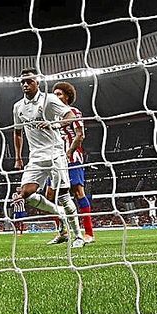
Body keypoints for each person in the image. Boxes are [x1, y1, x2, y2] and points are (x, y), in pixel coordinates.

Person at [12, 68, 84, 248]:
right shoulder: (18, 107)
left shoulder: (49, 100)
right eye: (23, 82)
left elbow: (70, 116)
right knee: (26, 194)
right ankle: (60, 214)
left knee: (64, 196)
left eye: (29, 81)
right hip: (35, 157)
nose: (25, 84)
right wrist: (18, 157)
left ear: (37, 82)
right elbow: (17, 132)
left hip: (55, 154)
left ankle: (78, 236)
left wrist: (54, 123)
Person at [45, 81, 94, 244]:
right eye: (55, 94)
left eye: (59, 94)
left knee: (78, 192)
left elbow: (80, 135)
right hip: (55, 158)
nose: (56, 97)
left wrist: (70, 152)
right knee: (50, 195)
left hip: (71, 157)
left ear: (67, 96)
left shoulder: (74, 112)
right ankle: (63, 232)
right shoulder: (52, 115)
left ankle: (88, 233)